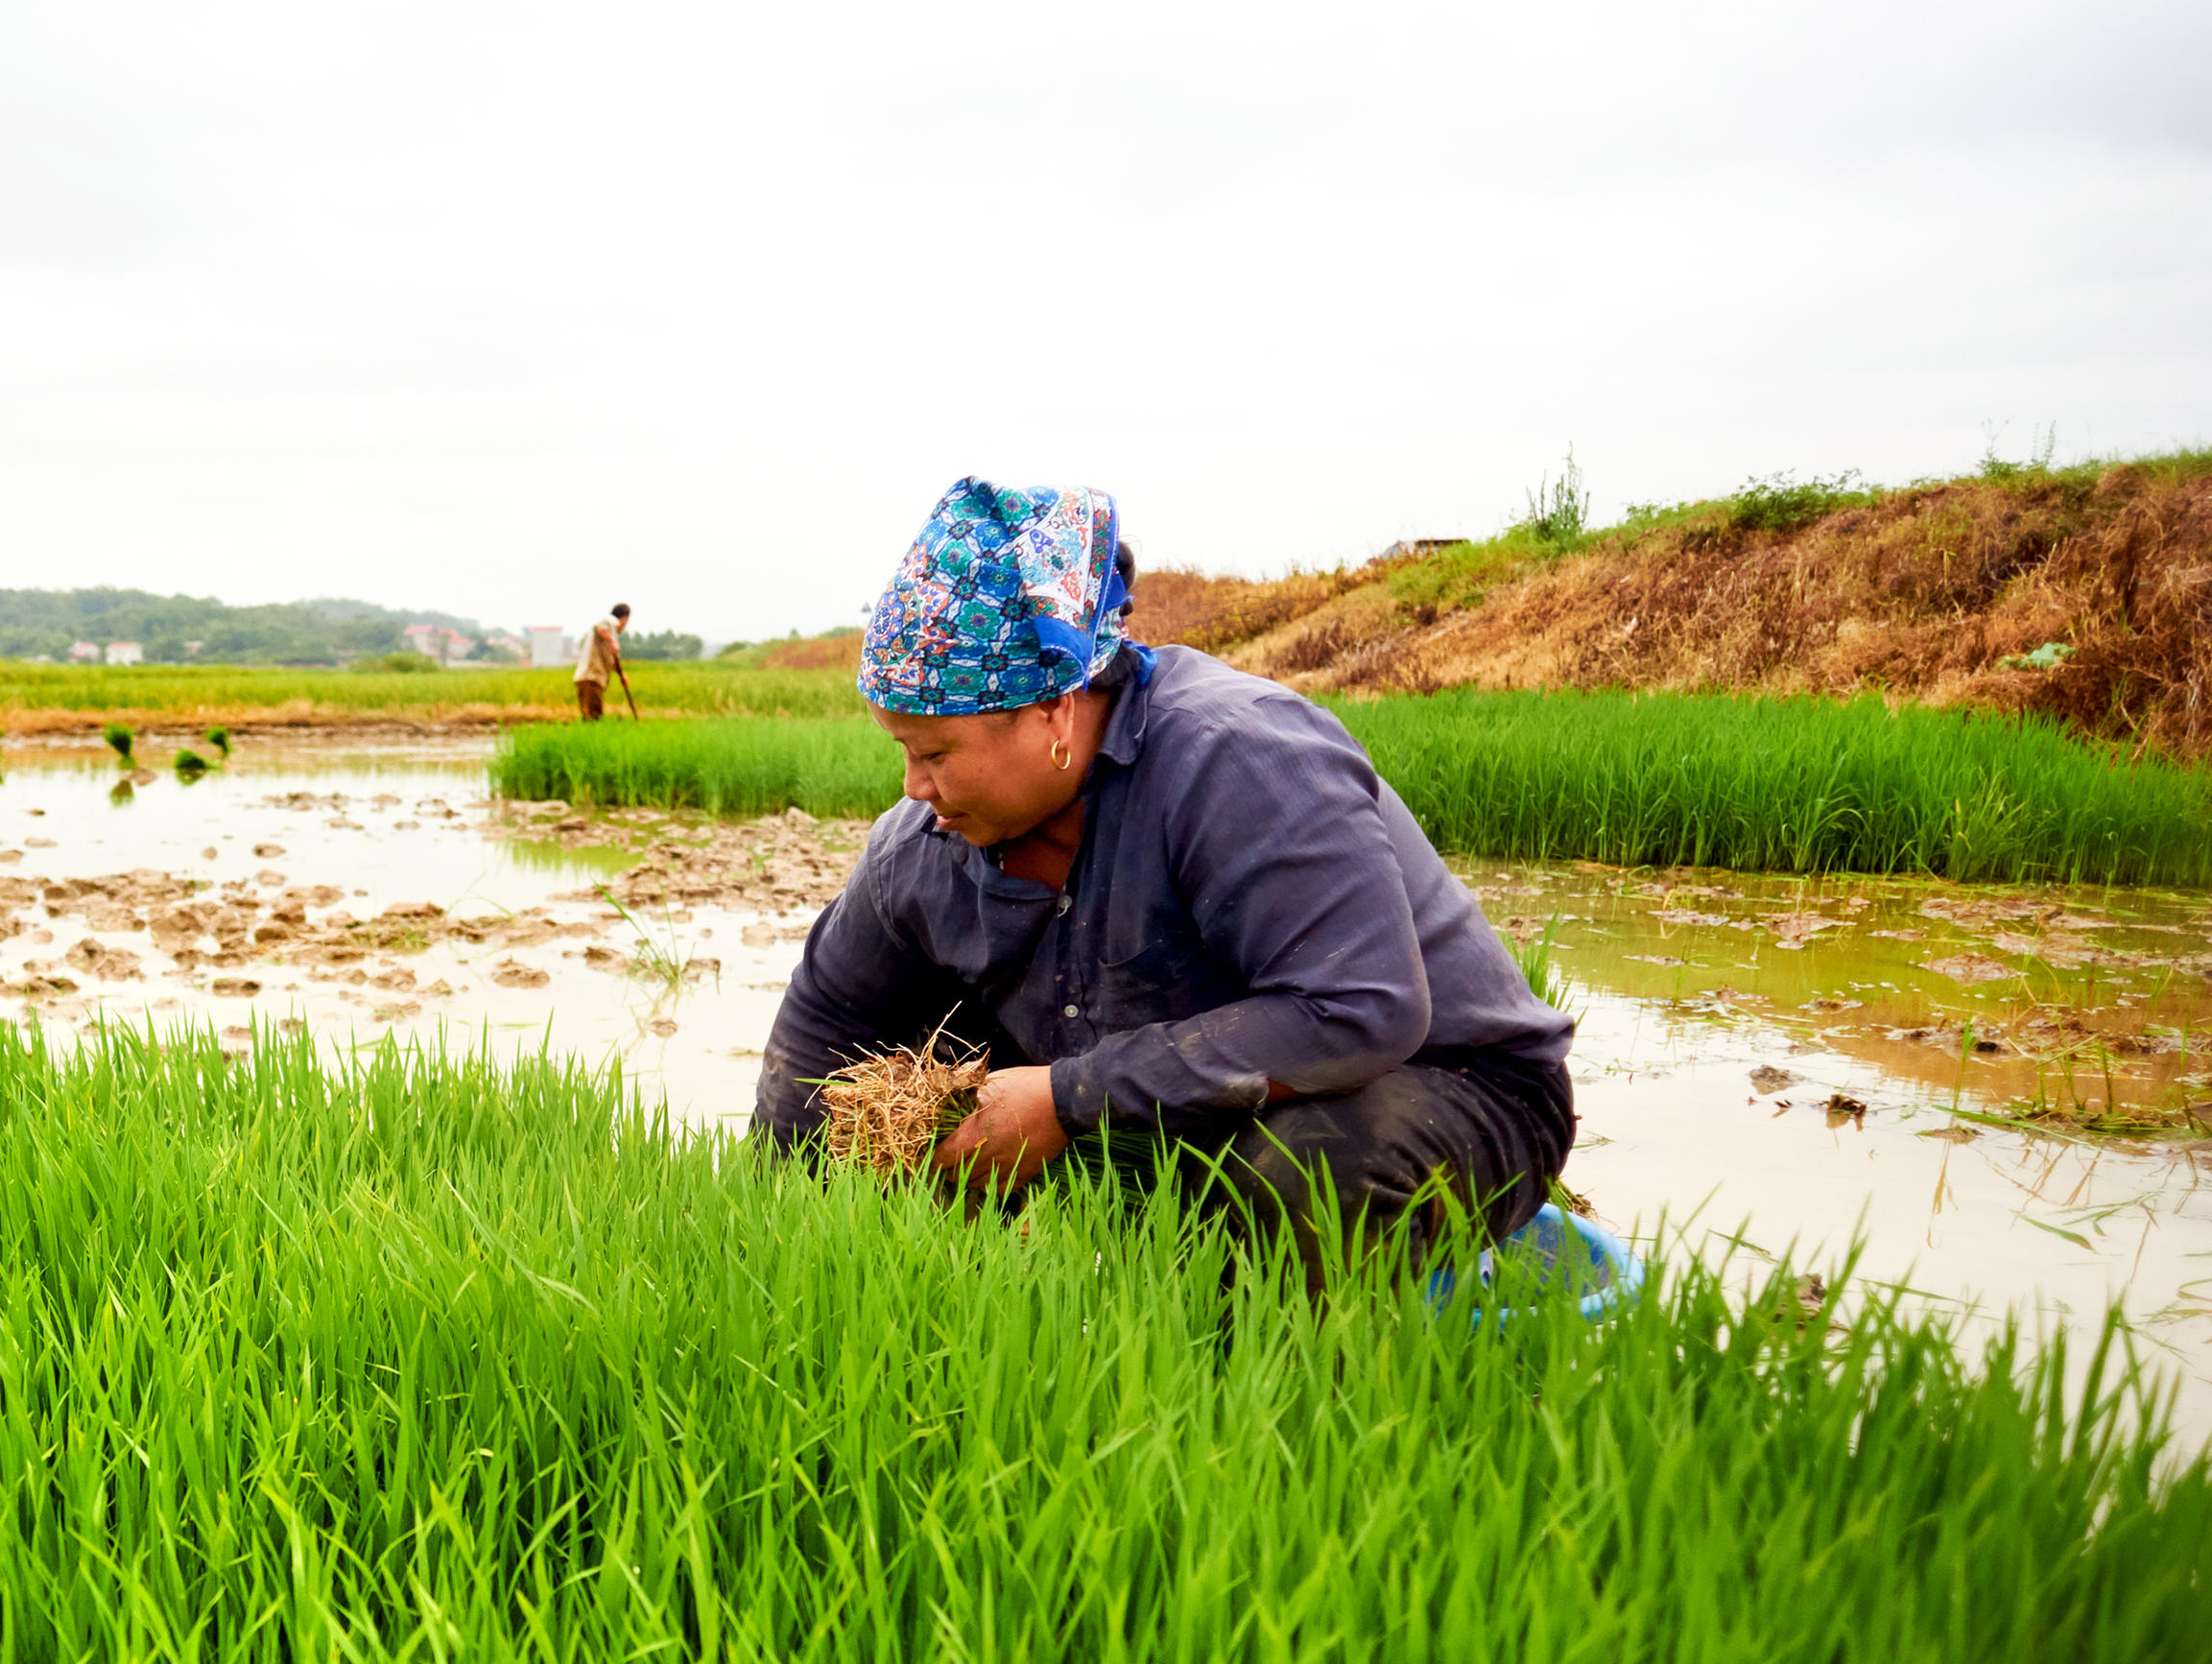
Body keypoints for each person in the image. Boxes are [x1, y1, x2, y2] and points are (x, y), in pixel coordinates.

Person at [751, 476, 1574, 1276]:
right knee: (919, 1096)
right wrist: (770, 1226)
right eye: (902, 751)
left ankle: (1258, 1387)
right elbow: (829, 1020)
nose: (913, 788)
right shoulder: (922, 850)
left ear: (1053, 713)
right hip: (1181, 1107)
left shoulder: (1241, 761)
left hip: (1435, 1089)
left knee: (1296, 1177)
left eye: (935, 753)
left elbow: (1362, 1010)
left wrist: (1069, 1097)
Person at [573, 605, 630, 721]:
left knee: (593, 717)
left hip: (595, 680)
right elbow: (599, 627)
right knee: (593, 718)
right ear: (624, 618)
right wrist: (613, 641)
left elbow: (612, 661)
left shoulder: (611, 632)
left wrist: (621, 674)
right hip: (590, 678)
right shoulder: (610, 621)